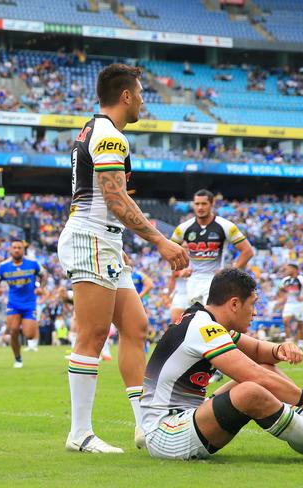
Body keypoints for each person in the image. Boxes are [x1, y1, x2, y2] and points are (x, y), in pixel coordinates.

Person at [57, 63, 188, 453]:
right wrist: (161, 241)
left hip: (104, 240)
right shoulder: (111, 136)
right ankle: (79, 433)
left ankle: (145, 424)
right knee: (93, 334)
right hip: (93, 236)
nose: (144, 100)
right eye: (141, 93)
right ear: (126, 95)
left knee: (136, 326)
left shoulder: (94, 128)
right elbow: (115, 198)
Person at [140, 268, 303, 462]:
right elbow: (255, 376)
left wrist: (280, 349)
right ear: (234, 304)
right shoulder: (204, 328)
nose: (255, 312)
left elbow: (259, 351)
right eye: (253, 303)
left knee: (266, 370)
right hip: (166, 433)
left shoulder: (205, 322)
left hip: (188, 417)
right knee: (251, 390)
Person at [171, 189, 253, 307]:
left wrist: (230, 272)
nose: (200, 207)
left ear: (212, 204)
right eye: (197, 204)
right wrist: (179, 270)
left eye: (204, 204)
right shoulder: (183, 228)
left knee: (211, 315)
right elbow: (169, 250)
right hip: (192, 280)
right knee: (195, 319)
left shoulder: (226, 226)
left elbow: (248, 251)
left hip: (215, 280)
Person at [0, 240, 45, 368]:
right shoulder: (3, 266)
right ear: (10, 250)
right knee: (14, 330)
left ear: (23, 250)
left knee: (29, 334)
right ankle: (18, 358)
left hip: (29, 303)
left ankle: (27, 327)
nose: (17, 250)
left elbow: (43, 275)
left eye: (19, 248)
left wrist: (41, 288)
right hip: (13, 303)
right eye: (14, 248)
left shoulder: (32, 263)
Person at [277, 263, 303, 350]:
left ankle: (301, 344)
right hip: (289, 304)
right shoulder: (285, 280)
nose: (286, 271)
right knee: (286, 321)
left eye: (288, 269)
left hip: (299, 304)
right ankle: (288, 342)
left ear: (294, 270)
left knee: (300, 324)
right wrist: (283, 297)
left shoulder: (302, 279)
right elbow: (281, 289)